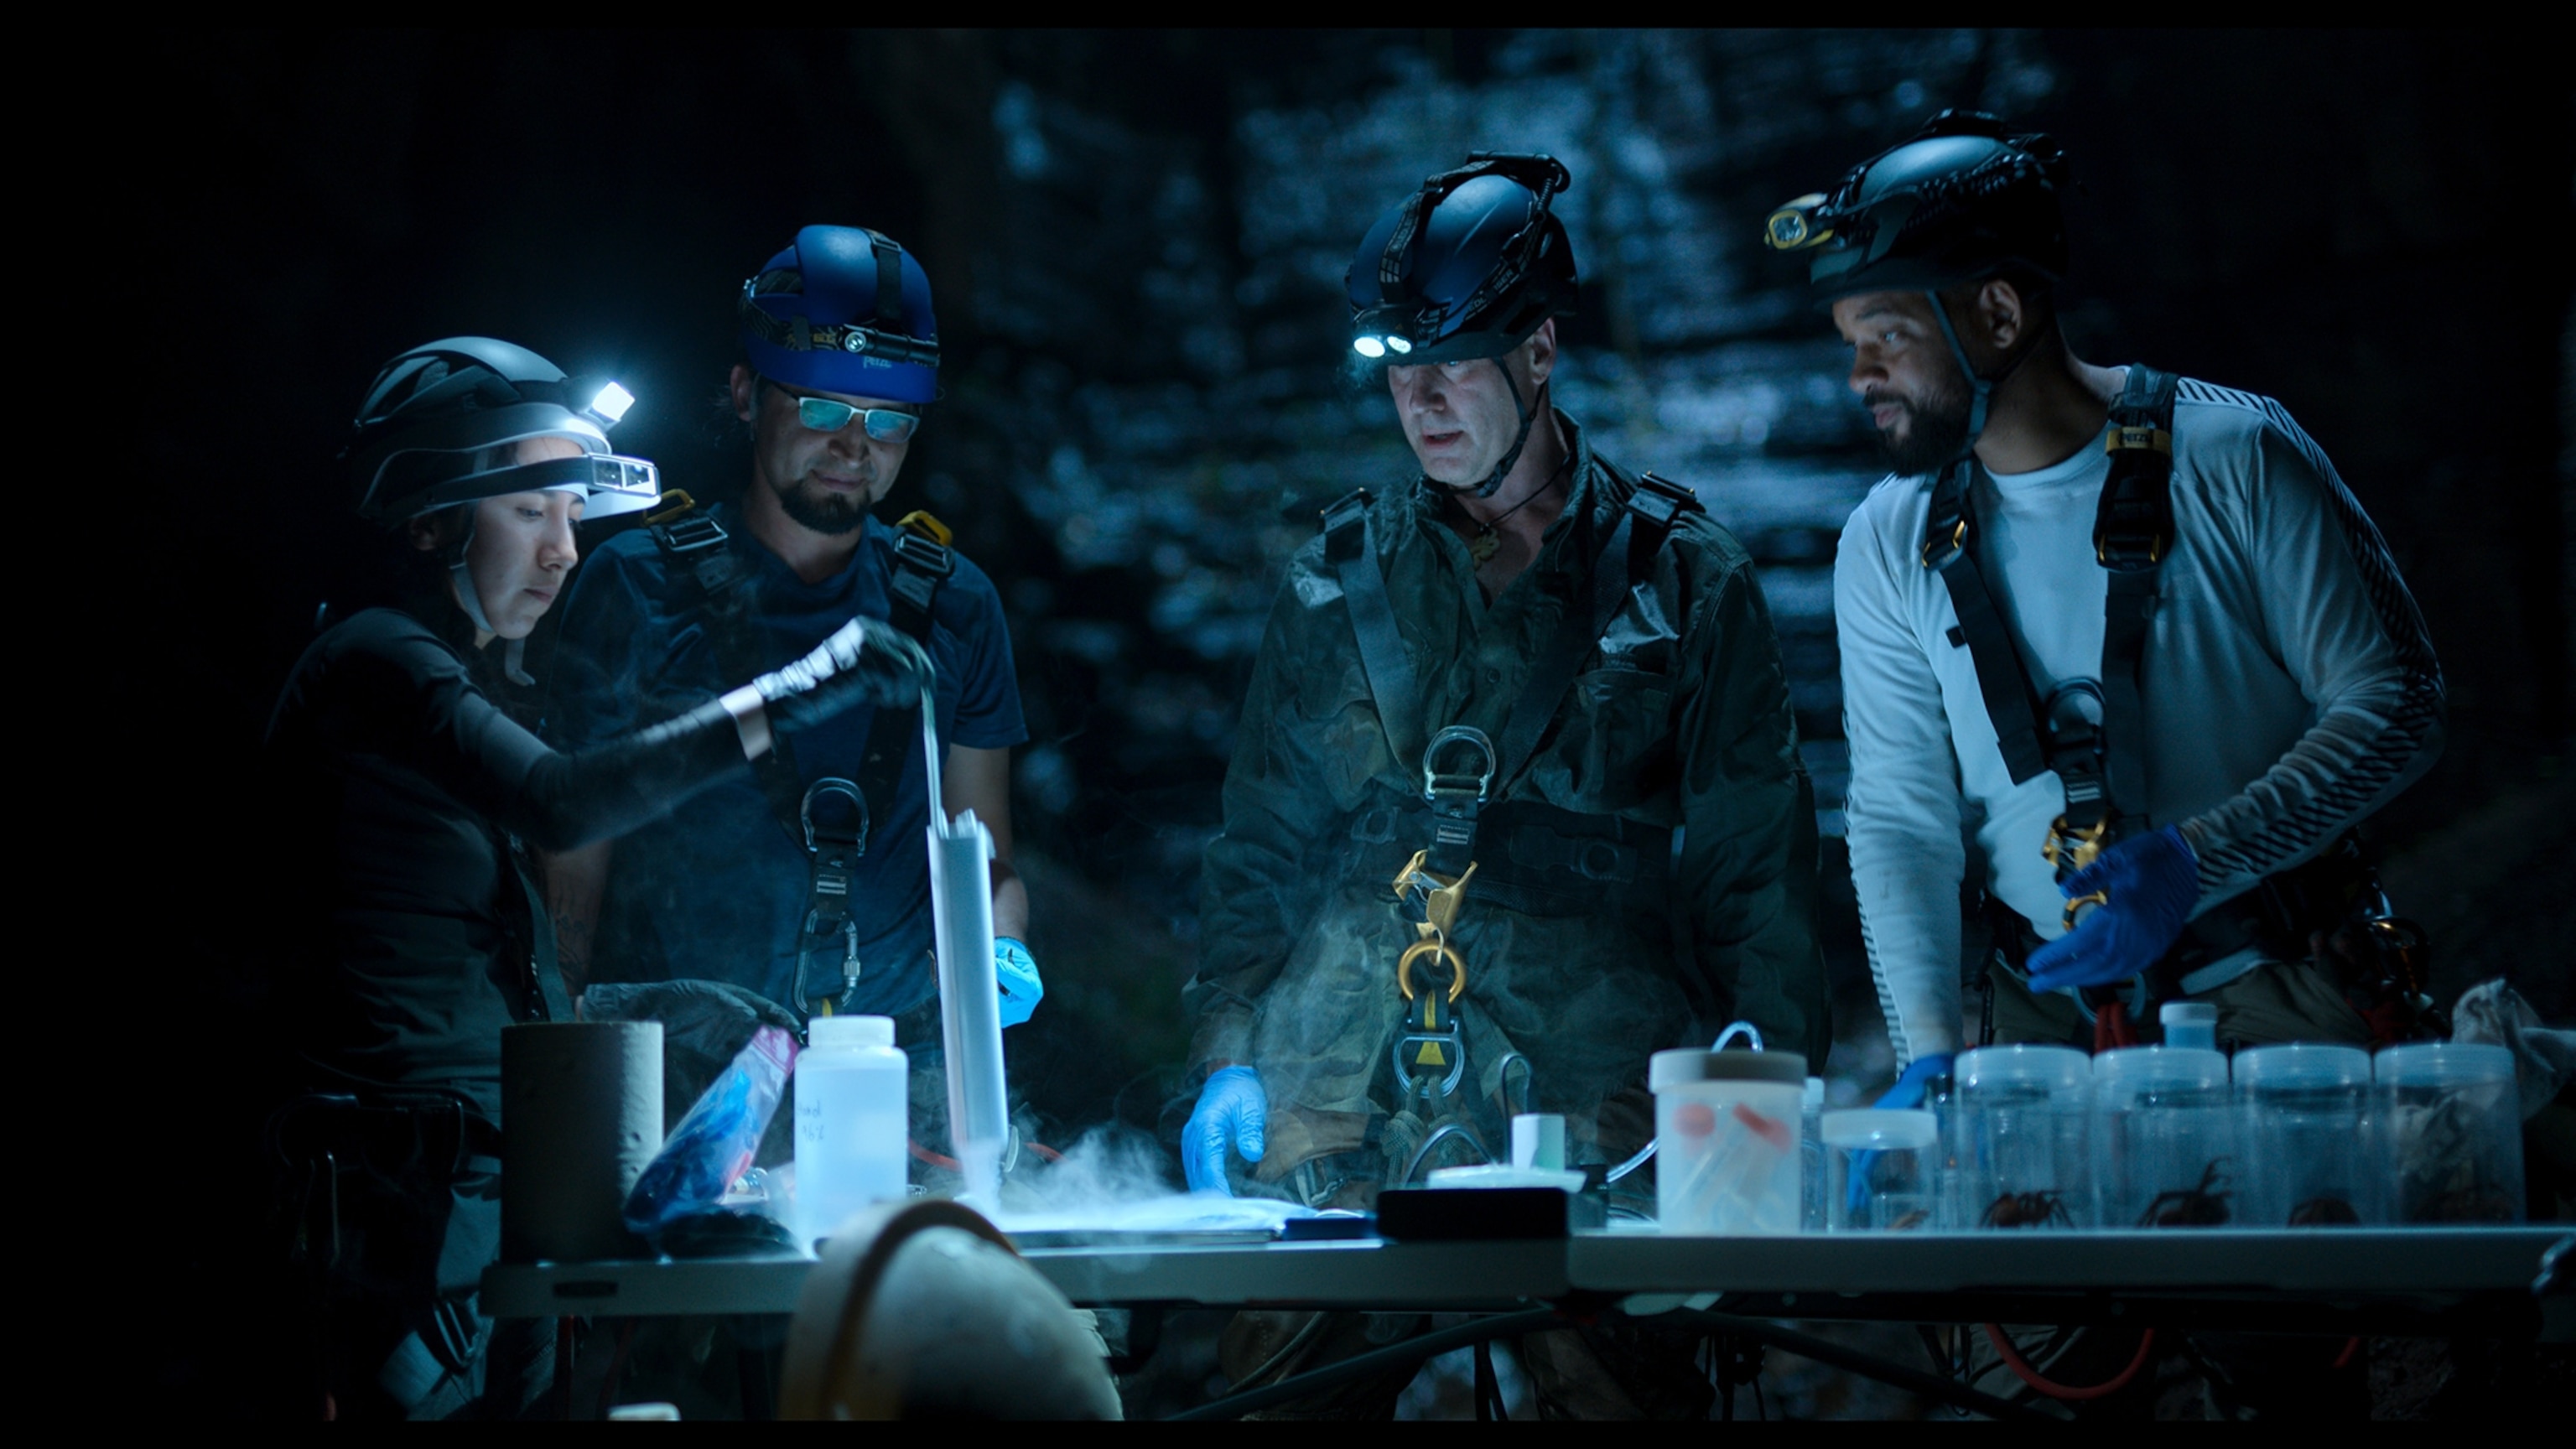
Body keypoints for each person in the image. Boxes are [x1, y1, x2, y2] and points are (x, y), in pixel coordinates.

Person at [1774, 115, 2444, 1416]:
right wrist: (1929, 1054)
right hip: (2041, 1036)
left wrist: (2200, 860)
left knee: (2301, 1382)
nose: (1860, 374)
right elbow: (1904, 817)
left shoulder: (2234, 457)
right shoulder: (1890, 539)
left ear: (2003, 309)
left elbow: (2399, 700)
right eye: (1850, 343)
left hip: (2278, 1012)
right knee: (2053, 1386)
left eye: (1887, 335)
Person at [1181, 154, 1826, 1418]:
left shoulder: (1683, 580)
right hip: (1340, 1055)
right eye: (1395, 363)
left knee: (1618, 1388)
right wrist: (1224, 1052)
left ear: (1537, 354)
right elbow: (1262, 839)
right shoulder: (1338, 575)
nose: (1418, 397)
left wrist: (1766, 1104)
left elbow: (1757, 867)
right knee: (1279, 1390)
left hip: (1591, 1067)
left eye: (1454, 360)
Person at [264, 336, 924, 1417]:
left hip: (491, 1193)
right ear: (429, 517)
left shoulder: (452, 698)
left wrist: (652, 1017)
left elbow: (477, 974)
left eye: (573, 516)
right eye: (532, 513)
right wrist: (796, 688)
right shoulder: (374, 662)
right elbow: (566, 802)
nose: (566, 552)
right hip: (394, 1215)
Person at [542, 226, 1036, 1107]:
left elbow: (982, 848)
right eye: (820, 408)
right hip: (680, 1068)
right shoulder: (636, 585)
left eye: (888, 422)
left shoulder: (957, 604)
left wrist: (999, 945)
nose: (855, 446)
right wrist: (563, 1028)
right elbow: (575, 844)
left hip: (892, 1072)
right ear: (745, 394)